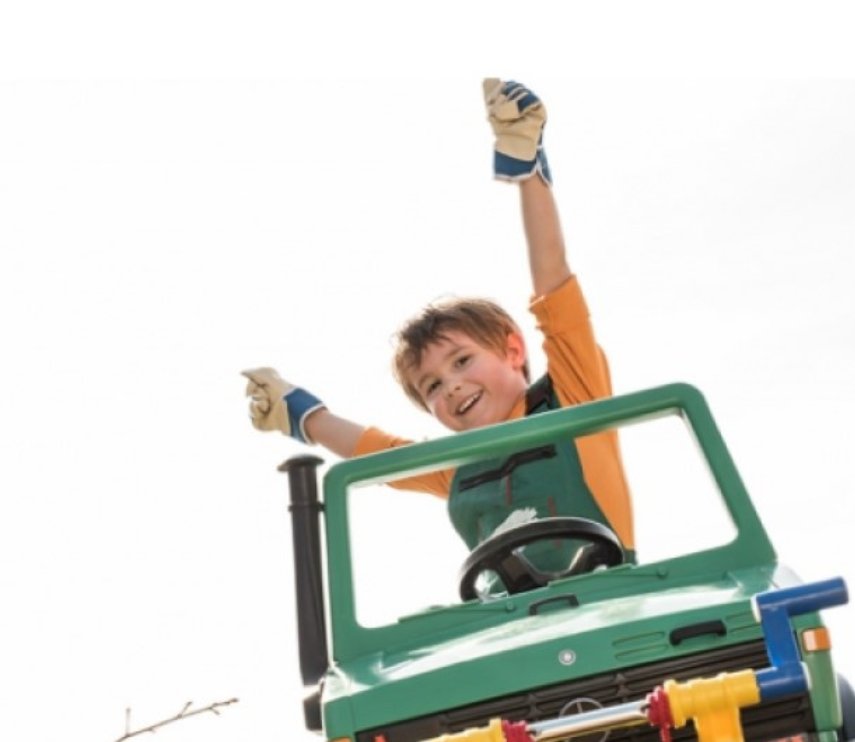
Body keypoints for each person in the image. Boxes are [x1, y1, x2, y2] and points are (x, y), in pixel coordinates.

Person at [243, 79, 634, 569]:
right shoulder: (459, 468)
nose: (451, 386)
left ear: (514, 350)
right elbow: (375, 452)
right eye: (431, 385)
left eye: (462, 360)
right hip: (514, 626)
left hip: (613, 607)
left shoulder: (576, 400)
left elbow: (553, 285)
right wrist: (297, 411)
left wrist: (528, 171)